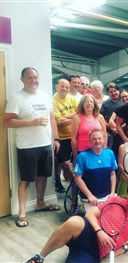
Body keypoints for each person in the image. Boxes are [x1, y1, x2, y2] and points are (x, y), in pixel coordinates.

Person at [24, 180, 128, 263]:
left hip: (94, 251)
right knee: (74, 221)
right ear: (126, 194)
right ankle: (39, 258)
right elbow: (90, 214)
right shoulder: (115, 200)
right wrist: (99, 231)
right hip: (87, 231)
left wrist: (124, 248)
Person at [3, 67, 61, 228]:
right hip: (27, 147)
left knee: (43, 176)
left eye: (36, 77)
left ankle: (40, 203)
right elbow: (7, 121)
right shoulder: (17, 98)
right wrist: (31, 122)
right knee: (26, 179)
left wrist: (56, 138)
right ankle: (22, 212)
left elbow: (52, 119)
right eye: (29, 78)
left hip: (45, 145)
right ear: (22, 79)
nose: (33, 81)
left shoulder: (44, 96)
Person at [73, 129, 117, 210]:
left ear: (104, 140)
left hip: (107, 197)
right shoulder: (82, 156)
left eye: (99, 138)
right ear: (90, 141)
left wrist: (112, 192)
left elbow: (113, 174)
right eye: (94, 139)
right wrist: (90, 196)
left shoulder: (110, 153)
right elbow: (77, 178)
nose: (97, 141)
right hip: (90, 199)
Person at [52, 78, 79, 193]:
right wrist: (74, 117)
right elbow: (58, 121)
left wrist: (66, 117)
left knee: (78, 162)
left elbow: (80, 113)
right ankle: (74, 183)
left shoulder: (73, 99)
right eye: (62, 86)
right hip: (62, 137)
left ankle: (76, 184)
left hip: (75, 136)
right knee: (64, 163)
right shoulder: (52, 101)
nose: (65, 89)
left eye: (67, 87)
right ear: (56, 87)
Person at [71, 94, 107, 161]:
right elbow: (73, 139)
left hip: (98, 150)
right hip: (83, 151)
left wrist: (104, 150)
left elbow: (104, 135)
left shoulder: (100, 117)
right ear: (83, 104)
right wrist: (75, 155)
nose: (89, 103)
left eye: (91, 102)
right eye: (86, 102)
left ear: (94, 104)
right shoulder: (77, 118)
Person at [108, 89, 128, 157]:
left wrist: (119, 128)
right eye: (122, 97)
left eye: (126, 96)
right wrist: (116, 129)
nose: (124, 98)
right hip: (120, 137)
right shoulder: (119, 109)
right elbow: (111, 120)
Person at [100, 82, 121, 148]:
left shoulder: (124, 101)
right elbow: (101, 118)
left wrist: (119, 129)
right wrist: (111, 128)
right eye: (111, 92)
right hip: (110, 133)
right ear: (108, 93)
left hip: (124, 132)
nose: (113, 93)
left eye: (115, 91)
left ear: (118, 91)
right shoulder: (105, 104)